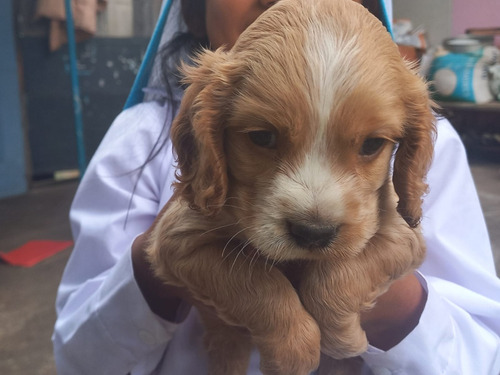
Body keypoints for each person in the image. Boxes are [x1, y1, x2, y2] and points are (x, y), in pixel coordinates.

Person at [52, 0, 500, 374]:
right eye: (262, 137)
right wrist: (168, 265)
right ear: (192, 9)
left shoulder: (426, 136)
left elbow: (482, 355)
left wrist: (372, 297)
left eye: (369, 145)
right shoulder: (137, 140)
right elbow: (77, 356)